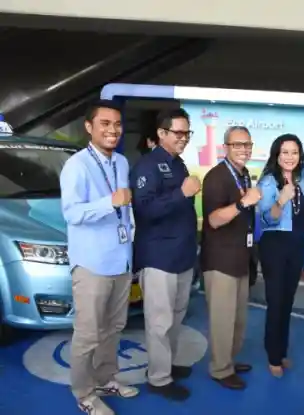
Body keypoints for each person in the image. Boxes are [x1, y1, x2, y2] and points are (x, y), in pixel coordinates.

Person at [60, 99, 138, 415]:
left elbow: (127, 209)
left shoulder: (121, 162)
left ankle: (106, 378)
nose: (113, 130)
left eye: (117, 124)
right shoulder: (76, 165)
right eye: (105, 123)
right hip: (92, 264)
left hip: (120, 260)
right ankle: (84, 394)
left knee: (114, 327)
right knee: (88, 334)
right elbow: (72, 213)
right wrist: (110, 202)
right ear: (89, 127)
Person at [129, 108, 200, 401]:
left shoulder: (178, 164)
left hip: (182, 256)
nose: (184, 138)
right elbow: (143, 211)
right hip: (158, 257)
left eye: (187, 133)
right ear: (161, 134)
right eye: (179, 133)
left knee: (176, 316)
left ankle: (166, 364)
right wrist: (181, 194)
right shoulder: (147, 166)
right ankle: (158, 378)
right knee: (159, 322)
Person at [200, 126, 261, 390]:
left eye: (247, 144)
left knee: (237, 318)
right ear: (225, 147)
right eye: (238, 145)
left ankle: (229, 361)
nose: (244, 149)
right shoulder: (216, 177)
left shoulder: (243, 174)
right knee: (222, 320)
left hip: (240, 258)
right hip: (221, 261)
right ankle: (220, 369)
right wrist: (242, 204)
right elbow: (213, 220)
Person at [256, 134, 304, 377]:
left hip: (296, 245)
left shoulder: (302, 182)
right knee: (276, 302)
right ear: (277, 155)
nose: (290, 157)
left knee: (287, 302)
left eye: (294, 152)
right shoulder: (268, 182)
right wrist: (281, 199)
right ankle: (273, 356)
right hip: (275, 245)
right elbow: (267, 218)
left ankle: (282, 351)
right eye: (285, 152)